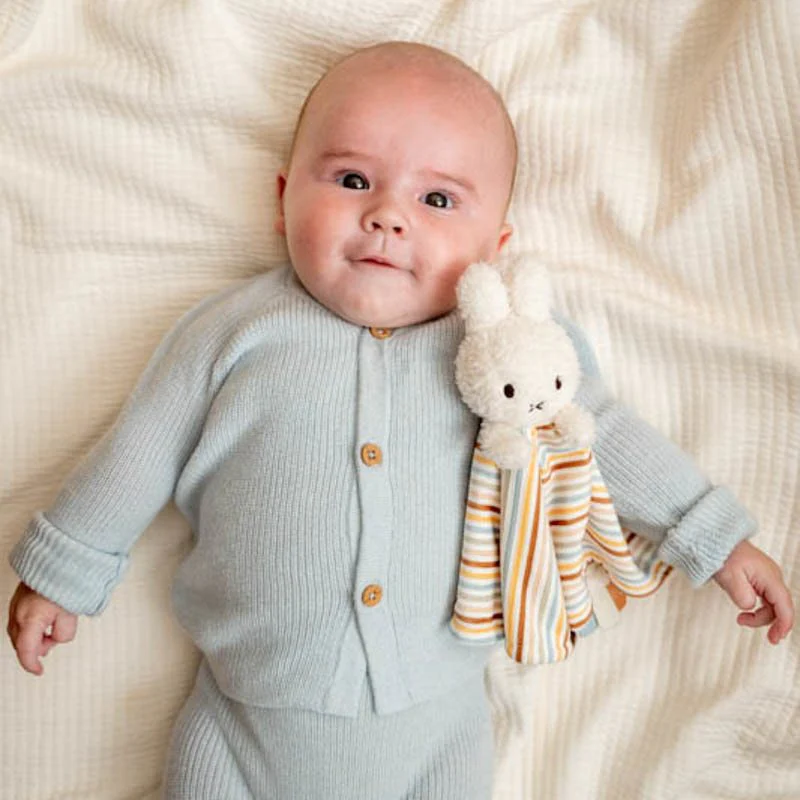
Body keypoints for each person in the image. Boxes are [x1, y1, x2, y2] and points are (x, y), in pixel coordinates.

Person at [6, 41, 794, 799]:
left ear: (494, 246)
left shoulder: (503, 349)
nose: (387, 216)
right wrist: (61, 576)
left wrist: (712, 537)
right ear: (283, 199)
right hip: (240, 723)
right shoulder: (233, 334)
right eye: (352, 180)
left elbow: (601, 436)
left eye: (437, 199)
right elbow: (139, 453)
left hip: (437, 730)